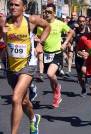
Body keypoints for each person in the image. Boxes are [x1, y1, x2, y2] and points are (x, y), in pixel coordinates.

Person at [0, 0, 50, 133]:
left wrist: (41, 44)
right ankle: (34, 118)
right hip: (11, 66)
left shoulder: (31, 20)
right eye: (11, 4)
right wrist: (2, 32)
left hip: (28, 65)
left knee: (16, 98)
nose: (13, 7)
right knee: (23, 101)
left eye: (17, 5)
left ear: (24, 7)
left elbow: (47, 27)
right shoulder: (5, 21)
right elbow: (5, 41)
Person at [38, 3, 74, 108]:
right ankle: (56, 95)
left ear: (54, 13)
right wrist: (38, 42)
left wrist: (65, 43)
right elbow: (40, 39)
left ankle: (57, 88)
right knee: (51, 77)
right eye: (45, 12)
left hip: (57, 53)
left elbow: (71, 32)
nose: (47, 14)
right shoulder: (42, 25)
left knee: (50, 74)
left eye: (49, 12)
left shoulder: (59, 23)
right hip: (46, 54)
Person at [74, 16, 90, 96]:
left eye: (83, 21)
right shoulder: (75, 31)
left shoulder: (88, 31)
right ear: (78, 22)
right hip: (78, 56)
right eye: (80, 21)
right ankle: (83, 89)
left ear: (85, 22)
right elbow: (72, 42)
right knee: (80, 77)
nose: (82, 23)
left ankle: (88, 80)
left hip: (87, 55)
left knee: (86, 71)